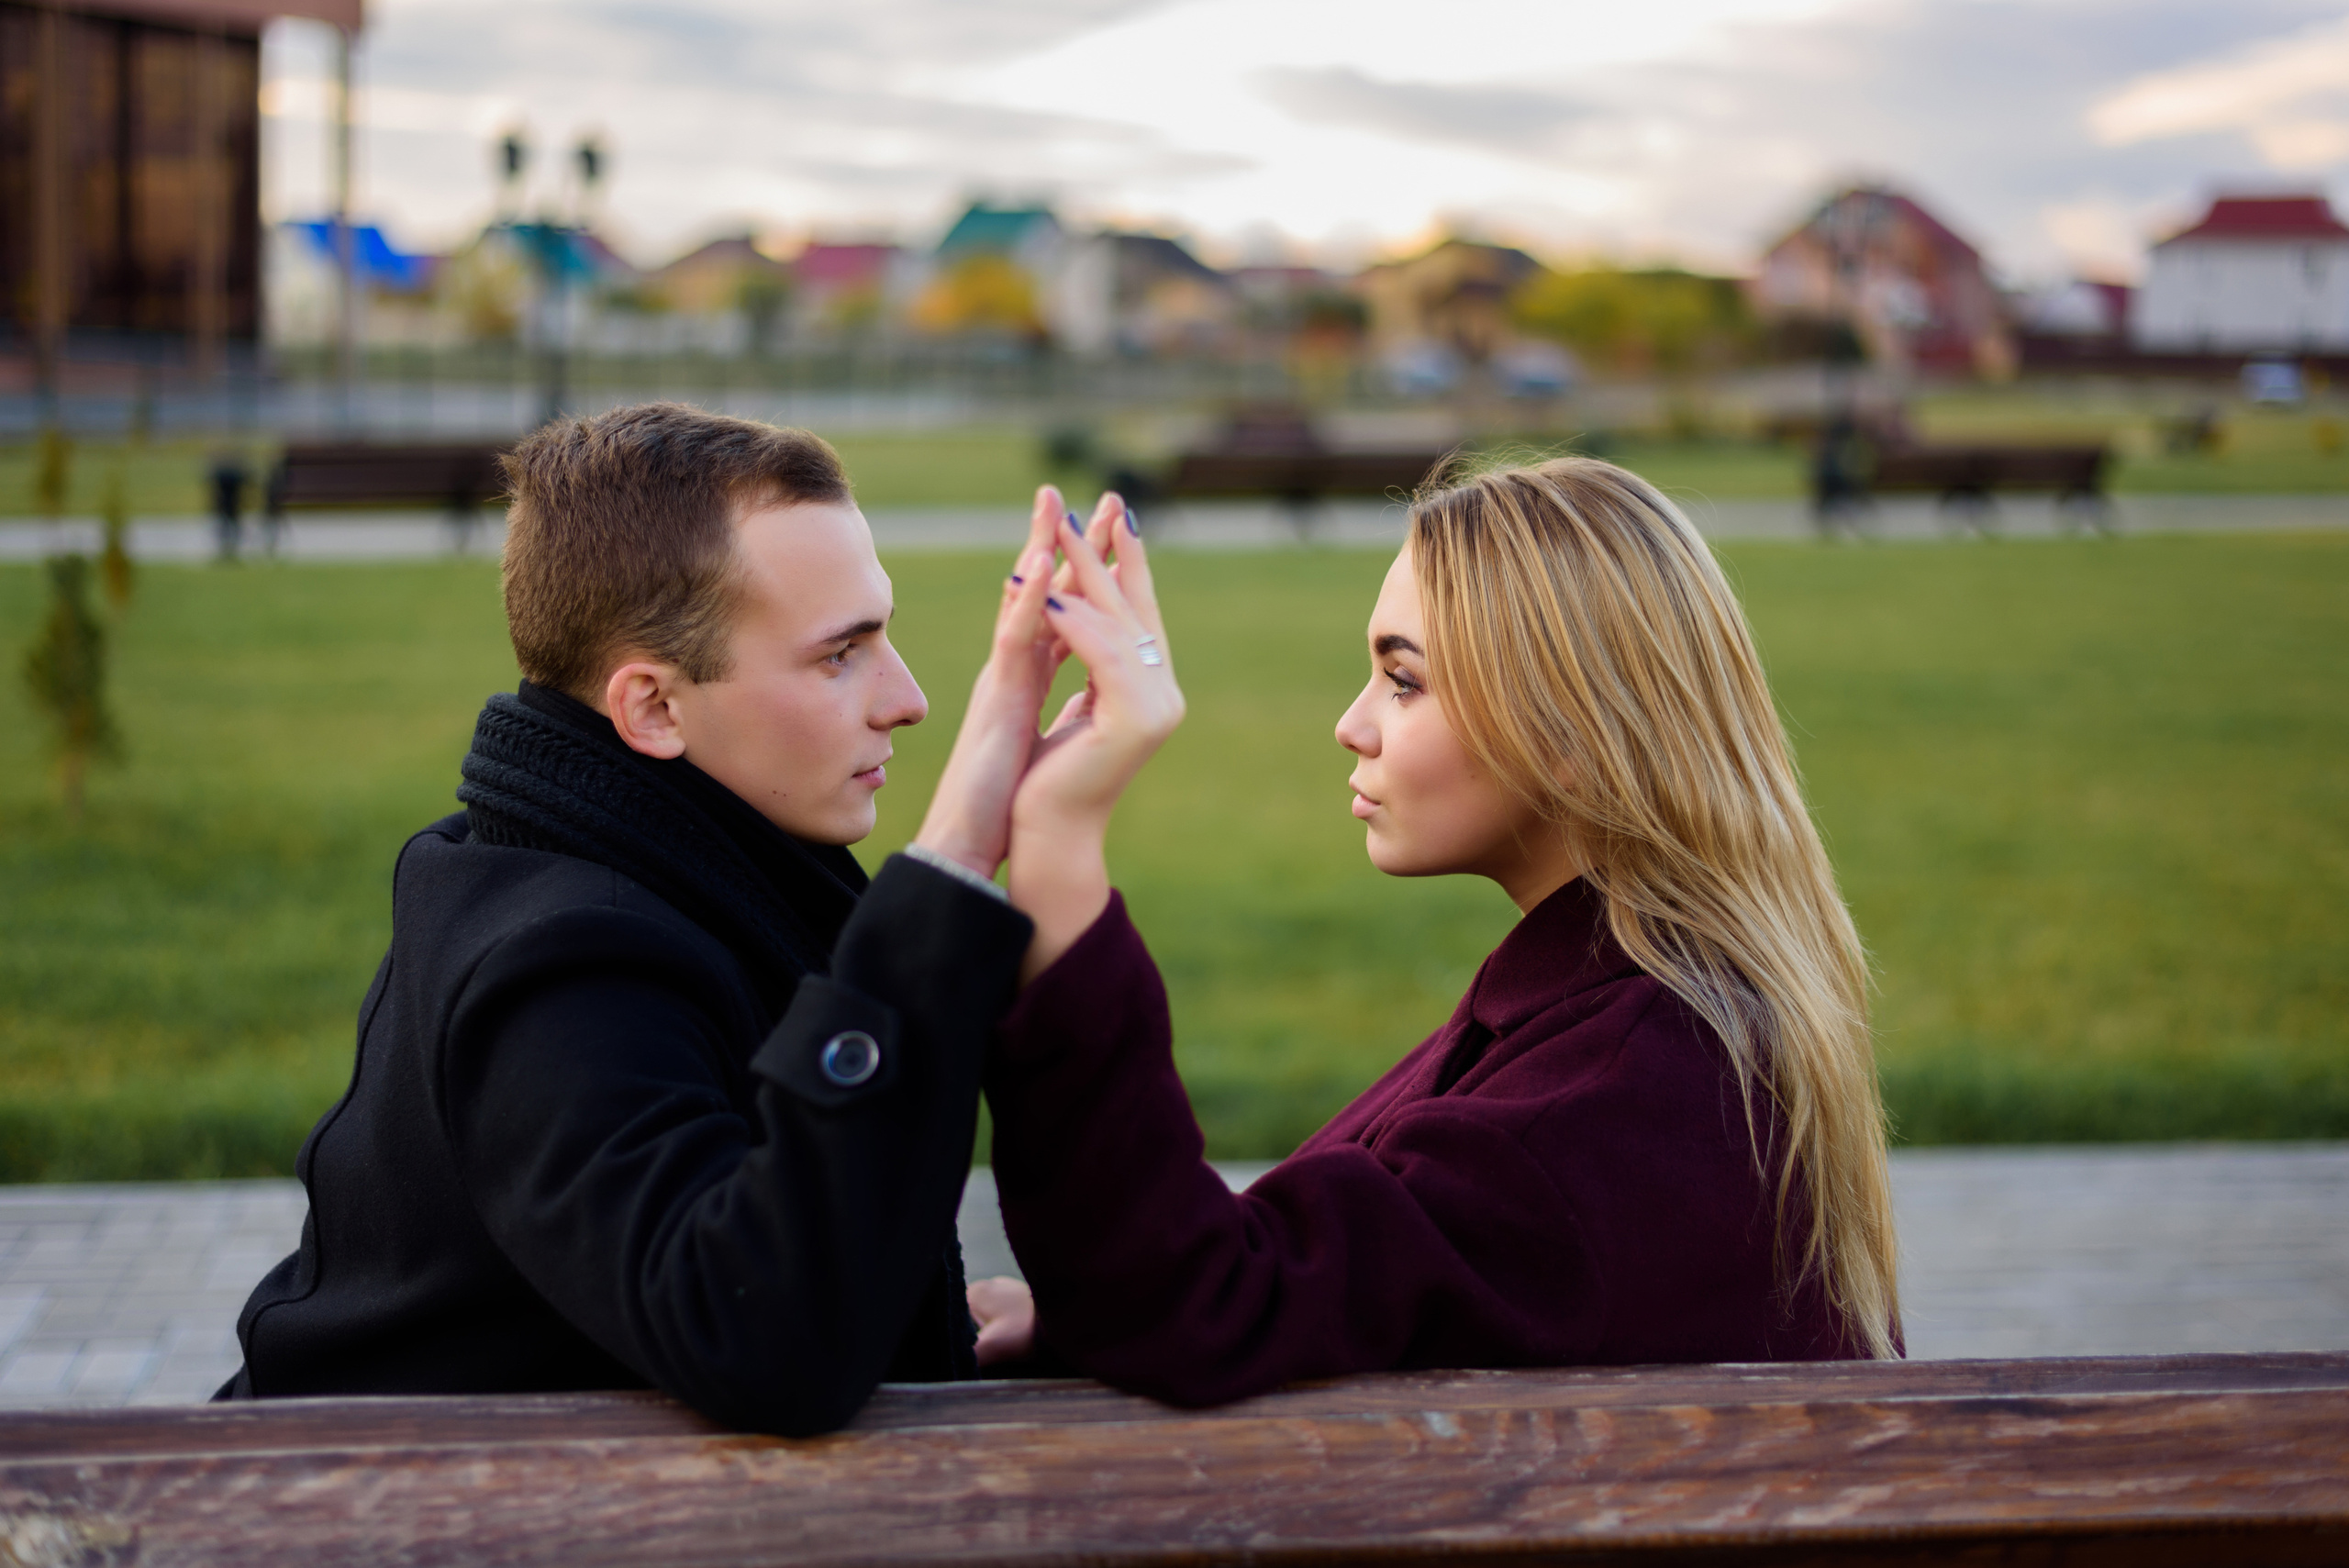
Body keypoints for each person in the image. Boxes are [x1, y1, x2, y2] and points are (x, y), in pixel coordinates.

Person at [222, 402, 1086, 1435]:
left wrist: (942, 1320)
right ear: (654, 709)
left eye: (882, 634)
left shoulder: (689, 869)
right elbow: (765, 1338)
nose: (907, 697)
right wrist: (950, 863)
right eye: (839, 654)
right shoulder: (568, 964)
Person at [972, 455, 1903, 1404]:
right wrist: (1079, 1309)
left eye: (1402, 679)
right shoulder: (1643, 1011)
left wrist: (1055, 837)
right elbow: (1331, 1278)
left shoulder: (1621, 1088)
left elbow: (1201, 1302)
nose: (1351, 723)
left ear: (1571, 734)